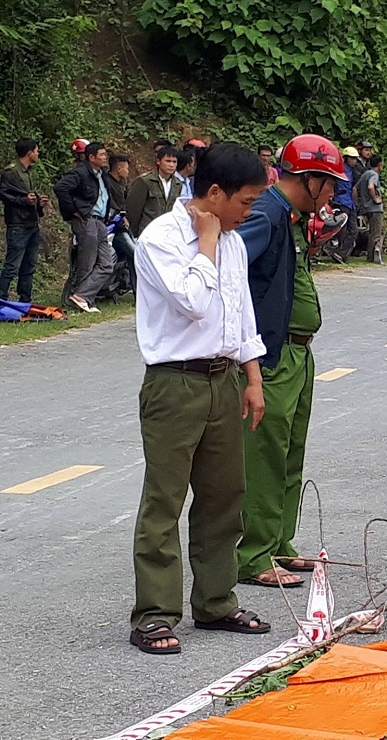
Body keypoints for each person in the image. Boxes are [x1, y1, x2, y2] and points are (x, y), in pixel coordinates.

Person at [129, 141, 270, 655]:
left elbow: (240, 313)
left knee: (223, 495)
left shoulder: (230, 239)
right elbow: (192, 302)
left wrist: (252, 378)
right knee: (165, 500)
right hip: (175, 383)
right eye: (246, 202)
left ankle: (216, 601)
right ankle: (154, 615)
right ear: (215, 193)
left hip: (223, 378)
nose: (248, 212)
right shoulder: (161, 238)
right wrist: (206, 242)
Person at [236, 134, 345, 589]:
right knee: (264, 455)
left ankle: (280, 541)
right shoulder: (266, 212)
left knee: (290, 452)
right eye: (332, 183)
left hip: (299, 353)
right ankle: (253, 553)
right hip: (274, 356)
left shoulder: (292, 218)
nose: (336, 193)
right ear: (311, 179)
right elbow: (229, 261)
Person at [54, 141, 115, 313]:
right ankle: (77, 299)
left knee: (105, 263)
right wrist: (74, 211)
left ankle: (82, 296)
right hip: (86, 220)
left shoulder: (102, 174)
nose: (105, 158)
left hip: (100, 220)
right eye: (101, 155)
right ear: (91, 157)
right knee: (86, 262)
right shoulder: (80, 172)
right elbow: (61, 188)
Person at [0, 138, 47, 302]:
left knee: (29, 264)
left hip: (32, 223)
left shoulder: (28, 172)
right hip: (18, 224)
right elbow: (4, 194)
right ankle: (2, 297)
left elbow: (25, 194)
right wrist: (23, 201)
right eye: (36, 150)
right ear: (29, 153)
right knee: (12, 265)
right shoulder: (11, 172)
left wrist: (38, 202)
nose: (38, 153)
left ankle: (25, 298)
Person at [127, 146, 183, 236]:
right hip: (147, 231)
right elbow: (134, 210)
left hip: (167, 232)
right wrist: (135, 233)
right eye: (168, 161)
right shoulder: (145, 181)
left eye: (174, 162)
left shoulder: (178, 184)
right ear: (158, 161)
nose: (171, 165)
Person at [107, 154, 137, 292]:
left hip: (123, 225)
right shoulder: (107, 182)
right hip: (114, 227)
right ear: (119, 169)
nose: (128, 172)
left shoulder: (122, 183)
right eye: (126, 168)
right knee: (134, 253)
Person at [329, 146, 360, 263]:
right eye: (352, 158)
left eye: (355, 159)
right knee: (342, 229)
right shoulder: (340, 169)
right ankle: (338, 252)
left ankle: (341, 252)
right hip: (341, 201)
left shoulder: (352, 172)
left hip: (350, 203)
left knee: (354, 230)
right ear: (346, 158)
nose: (354, 161)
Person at [355, 154, 385, 264]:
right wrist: (375, 198)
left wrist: (357, 203)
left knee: (371, 232)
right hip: (375, 208)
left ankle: (371, 254)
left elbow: (354, 188)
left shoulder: (365, 174)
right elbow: (370, 186)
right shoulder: (374, 174)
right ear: (379, 164)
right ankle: (375, 253)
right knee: (377, 232)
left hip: (365, 208)